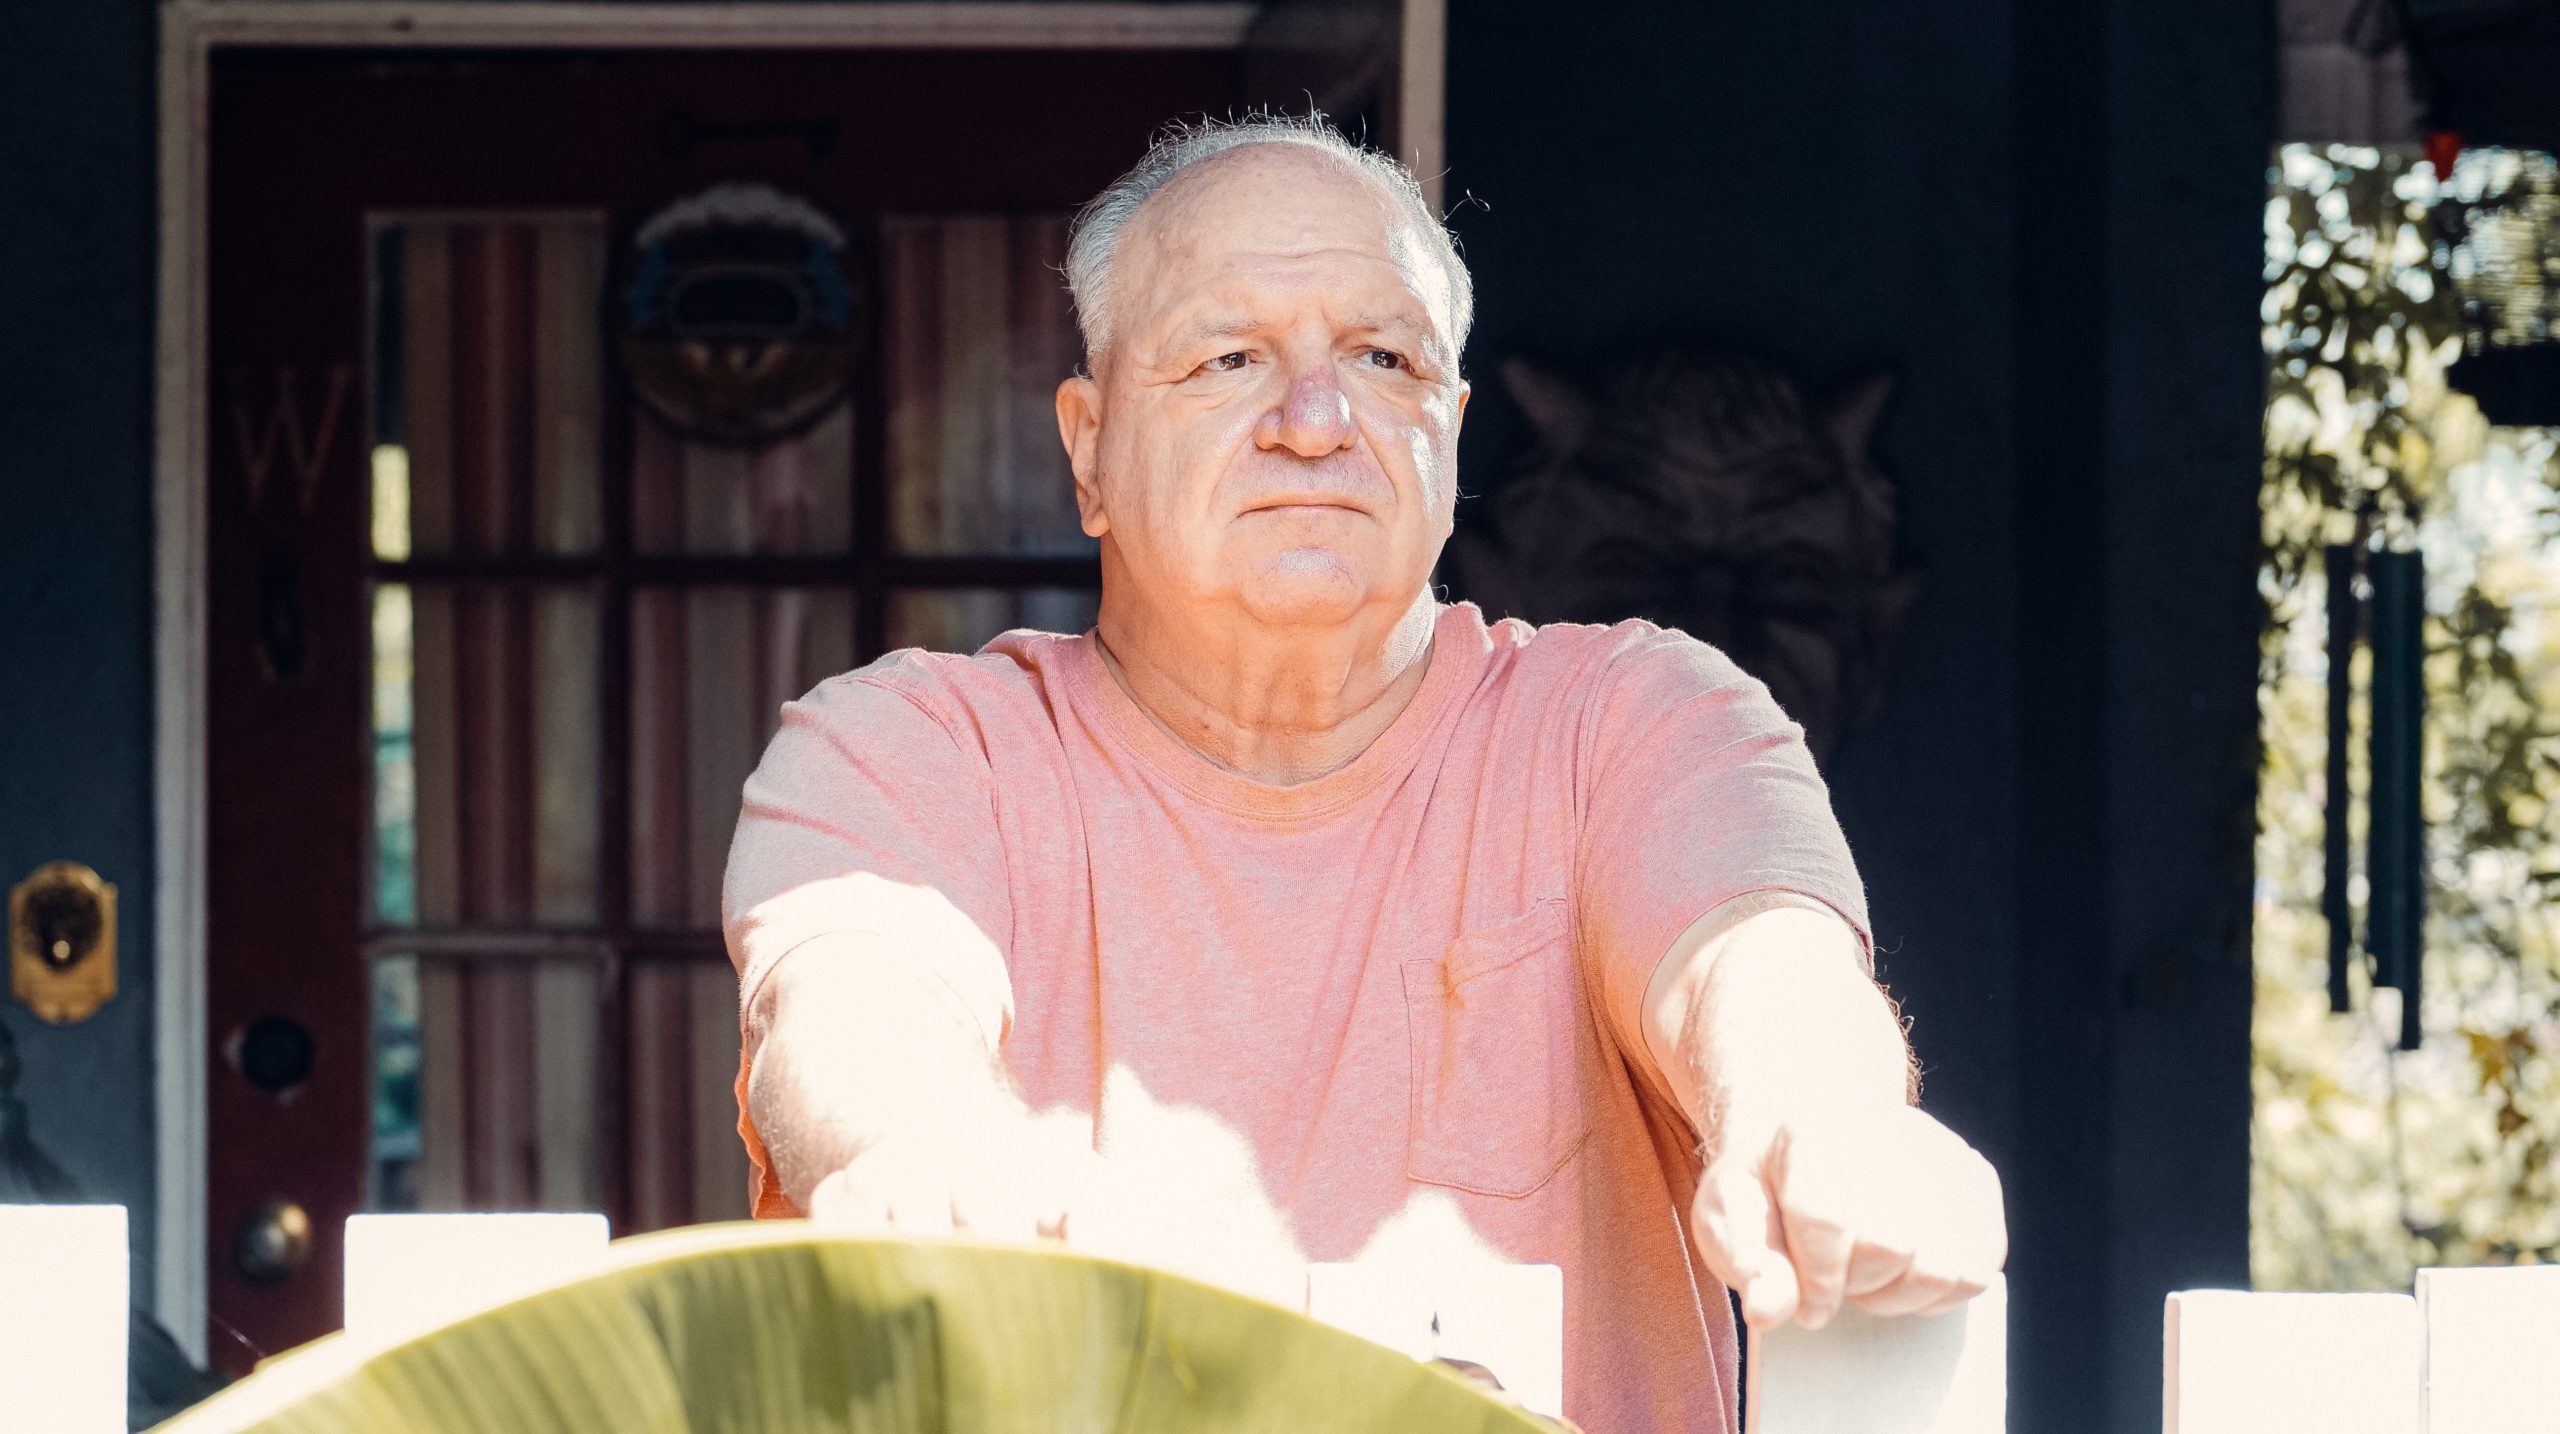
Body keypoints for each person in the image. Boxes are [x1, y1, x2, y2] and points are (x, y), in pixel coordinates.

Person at [722, 115, 2004, 1433]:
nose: (1316, 420)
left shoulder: (1635, 719)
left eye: (1383, 359)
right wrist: (931, 1155)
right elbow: (856, 1008)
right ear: (1090, 448)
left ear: (1449, 435)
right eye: (1229, 359)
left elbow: (1762, 969)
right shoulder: (913, 748)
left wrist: (1823, 1123)